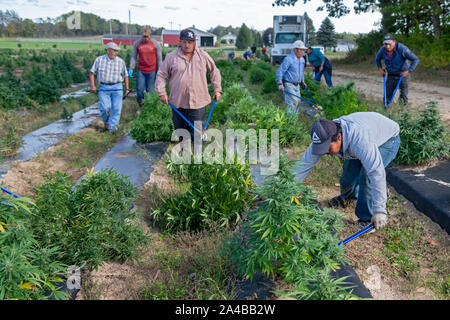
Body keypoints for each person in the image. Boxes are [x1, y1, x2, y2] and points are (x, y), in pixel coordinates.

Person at [293, 112, 401, 230]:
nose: (325, 152)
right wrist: (289, 189)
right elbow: (303, 165)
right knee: (348, 174)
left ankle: (367, 218)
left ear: (339, 137)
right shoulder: (323, 135)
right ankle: (348, 198)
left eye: (327, 148)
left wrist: (380, 210)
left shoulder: (360, 141)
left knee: (366, 176)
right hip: (364, 136)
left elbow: (376, 172)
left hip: (388, 140)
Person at [155, 29, 222, 142]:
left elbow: (214, 71)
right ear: (180, 42)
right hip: (178, 103)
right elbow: (161, 75)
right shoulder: (171, 57)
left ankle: (196, 158)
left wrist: (217, 89)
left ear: (194, 42)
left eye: (190, 42)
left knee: (196, 136)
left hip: (198, 103)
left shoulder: (203, 56)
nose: (187, 45)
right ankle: (185, 156)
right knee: (181, 134)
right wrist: (161, 92)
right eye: (184, 42)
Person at [90, 42, 130, 133]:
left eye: (117, 51)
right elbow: (92, 73)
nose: (116, 53)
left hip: (117, 86)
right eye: (114, 50)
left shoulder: (120, 61)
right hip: (104, 87)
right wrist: (92, 86)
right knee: (104, 108)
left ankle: (113, 128)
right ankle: (107, 122)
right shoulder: (99, 60)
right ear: (108, 51)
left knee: (116, 108)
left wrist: (127, 88)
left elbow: (126, 75)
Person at [375, 33, 420, 106]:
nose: (387, 46)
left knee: (403, 95)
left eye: (389, 43)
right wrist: (380, 69)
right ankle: (385, 110)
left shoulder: (402, 49)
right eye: (385, 44)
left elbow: (415, 59)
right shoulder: (382, 50)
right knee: (387, 95)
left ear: (394, 42)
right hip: (391, 74)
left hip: (403, 75)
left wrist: (408, 71)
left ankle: (402, 112)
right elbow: (377, 59)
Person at [129, 27, 163, 110]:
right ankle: (140, 107)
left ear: (150, 36)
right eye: (143, 37)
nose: (145, 38)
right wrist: (131, 68)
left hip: (152, 70)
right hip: (141, 70)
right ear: (141, 36)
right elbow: (133, 57)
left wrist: (160, 71)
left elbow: (159, 59)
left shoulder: (155, 44)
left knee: (150, 90)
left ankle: (149, 108)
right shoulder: (137, 43)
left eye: (147, 37)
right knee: (140, 89)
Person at [275, 40, 307, 114]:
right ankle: (289, 121)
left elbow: (301, 72)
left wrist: (302, 81)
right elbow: (280, 71)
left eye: (303, 50)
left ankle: (293, 122)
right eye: (301, 50)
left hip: (297, 85)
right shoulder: (289, 59)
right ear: (295, 50)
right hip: (289, 84)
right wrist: (280, 83)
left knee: (298, 102)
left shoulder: (302, 60)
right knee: (293, 102)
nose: (303, 52)